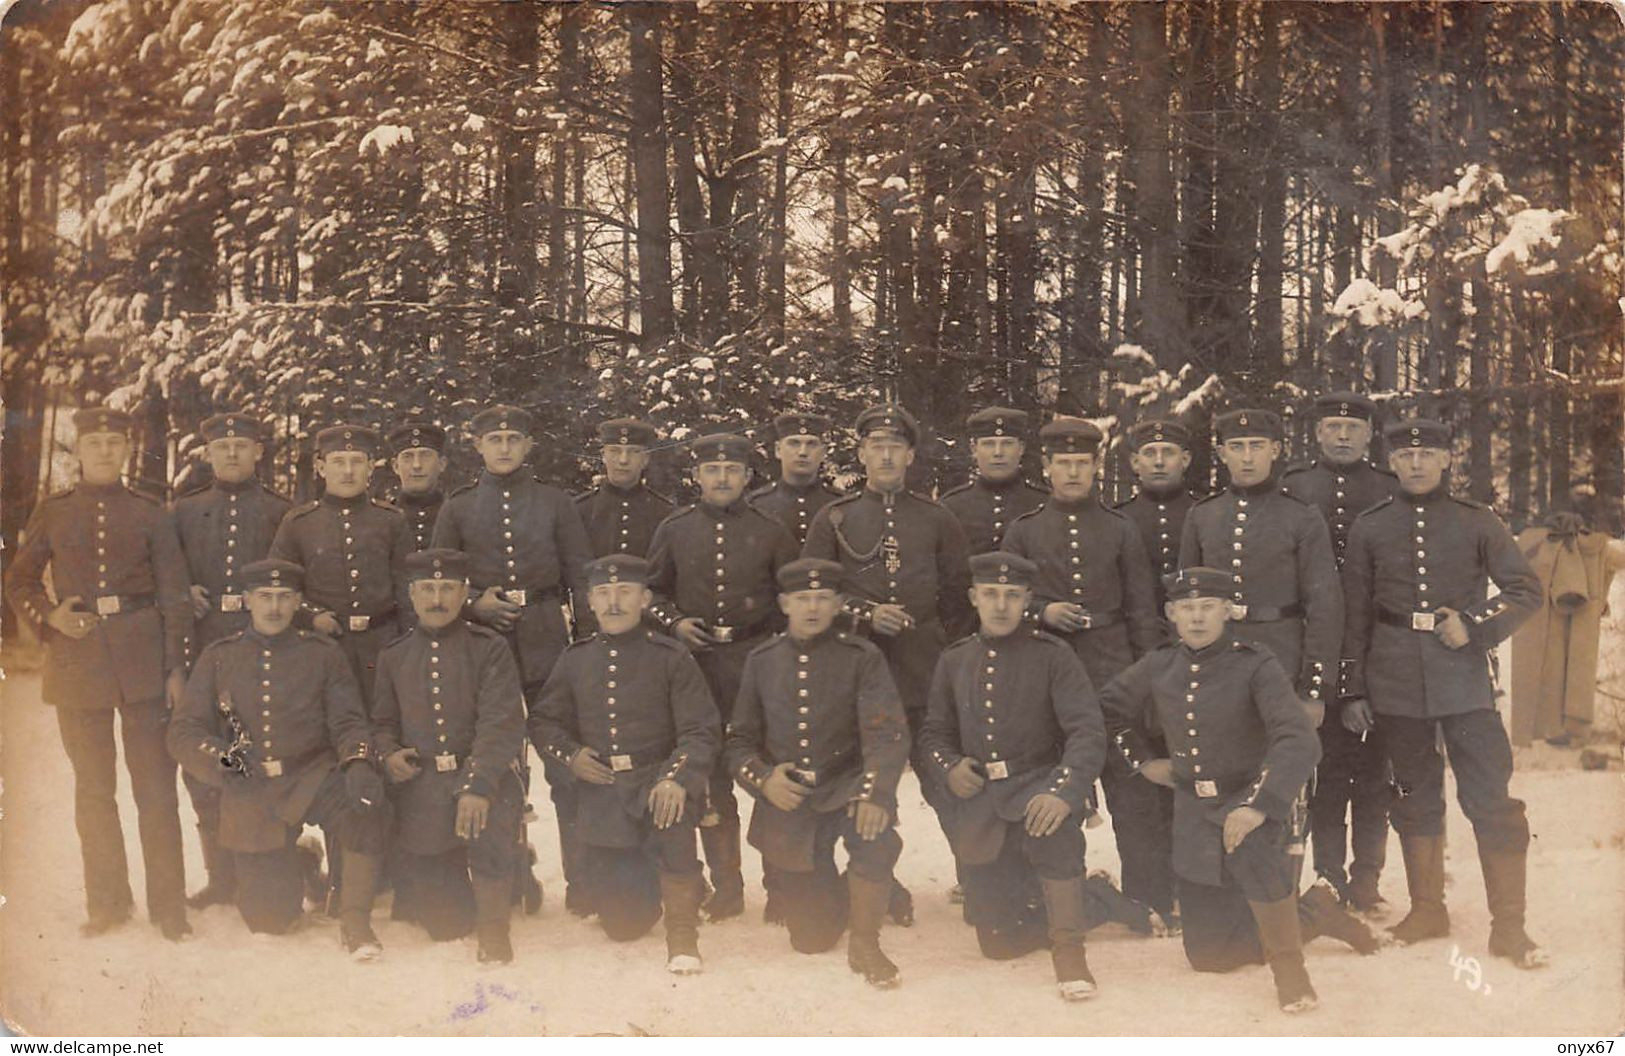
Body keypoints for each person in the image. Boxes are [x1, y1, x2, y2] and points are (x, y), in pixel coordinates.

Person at [1341, 418, 1548, 968]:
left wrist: (1475, 625)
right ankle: (1427, 909)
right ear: (1391, 462)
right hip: (1393, 681)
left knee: (1491, 798)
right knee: (1413, 794)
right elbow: (1355, 613)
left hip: (1464, 682)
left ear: (1448, 460)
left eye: (1427, 455)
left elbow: (1526, 589)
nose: (1415, 465)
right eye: (1405, 456)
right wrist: (1353, 687)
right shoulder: (1370, 526)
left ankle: (1510, 927)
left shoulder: (1477, 520)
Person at [6, 406, 194, 940]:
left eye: (115, 443)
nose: (105, 452)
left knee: (156, 789)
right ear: (79, 451)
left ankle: (169, 909)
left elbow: (175, 595)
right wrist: (51, 620)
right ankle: (108, 903)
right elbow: (18, 581)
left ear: (127, 451)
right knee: (93, 789)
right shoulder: (56, 510)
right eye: (95, 444)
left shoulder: (151, 512)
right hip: (77, 662)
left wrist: (175, 667)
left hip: (142, 659)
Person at [1100, 567, 1322, 1013]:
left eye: (1207, 608)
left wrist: (1259, 806)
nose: (1197, 618)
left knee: (1261, 878)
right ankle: (1311, 914)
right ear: (1171, 614)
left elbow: (1299, 738)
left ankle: (1291, 969)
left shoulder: (1256, 663)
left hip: (1248, 802)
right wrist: (1142, 762)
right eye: (1187, 608)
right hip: (1193, 814)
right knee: (1210, 958)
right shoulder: (1160, 663)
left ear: (1227, 611)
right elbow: (1107, 710)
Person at [168, 559, 390, 959]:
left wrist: (358, 763)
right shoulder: (220, 656)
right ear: (247, 600)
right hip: (251, 786)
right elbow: (183, 732)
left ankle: (355, 923)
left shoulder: (322, 653)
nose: (274, 608)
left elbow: (349, 720)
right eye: (265, 597)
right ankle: (302, 862)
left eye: (284, 597)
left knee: (364, 807)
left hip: (311, 774)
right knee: (269, 920)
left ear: (298, 601)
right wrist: (224, 761)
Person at [802, 403, 972, 920]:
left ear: (911, 455)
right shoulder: (835, 517)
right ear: (860, 454)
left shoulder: (937, 517)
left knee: (944, 782)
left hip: (923, 673)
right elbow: (811, 594)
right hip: (855, 671)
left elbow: (959, 596)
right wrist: (865, 614)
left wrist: (948, 660)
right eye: (876, 447)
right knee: (860, 784)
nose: (886, 456)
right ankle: (878, 885)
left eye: (895, 447)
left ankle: (979, 877)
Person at [1001, 417, 1171, 926]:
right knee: (1046, 783)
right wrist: (1042, 613)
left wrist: (1147, 681)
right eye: (1063, 463)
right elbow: (1006, 603)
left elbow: (1143, 608)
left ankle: (1150, 897)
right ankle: (1047, 896)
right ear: (1046, 468)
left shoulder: (1121, 529)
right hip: (1044, 675)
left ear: (1097, 467)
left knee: (1132, 786)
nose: (1073, 472)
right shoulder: (1025, 530)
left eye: (1082, 463)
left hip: (1114, 669)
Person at [920, 551, 1106, 1000]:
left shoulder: (1054, 655)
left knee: (1053, 835)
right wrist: (950, 767)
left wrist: (1063, 793)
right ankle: (1097, 899)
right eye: (990, 594)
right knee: (997, 944)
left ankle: (1070, 951)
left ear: (1027, 600)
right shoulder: (955, 658)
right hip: (984, 802)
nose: (1001, 605)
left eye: (1012, 595)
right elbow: (933, 733)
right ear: (973, 598)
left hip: (1038, 786)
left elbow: (1087, 731)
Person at [433, 403, 592, 913]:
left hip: (546, 633)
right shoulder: (456, 507)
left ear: (528, 446)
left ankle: (583, 881)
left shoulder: (554, 502)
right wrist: (475, 601)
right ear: (476, 446)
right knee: (489, 756)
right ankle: (503, 875)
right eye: (493, 439)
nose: (503, 448)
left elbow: (580, 576)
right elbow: (439, 578)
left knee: (562, 761)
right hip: (481, 641)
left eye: (513, 439)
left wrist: (586, 646)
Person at [530, 555, 720, 973]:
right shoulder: (575, 659)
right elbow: (543, 721)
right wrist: (572, 756)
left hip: (657, 785)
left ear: (645, 598)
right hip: (604, 794)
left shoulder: (670, 656)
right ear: (590, 602)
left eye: (625, 592)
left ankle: (683, 932)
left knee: (672, 822)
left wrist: (675, 779)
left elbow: (700, 730)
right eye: (603, 594)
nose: (613, 603)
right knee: (624, 924)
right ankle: (659, 880)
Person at [727, 557, 910, 988]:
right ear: (784, 603)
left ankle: (866, 942)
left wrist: (874, 792)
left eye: (823, 598)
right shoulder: (762, 660)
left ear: (840, 604)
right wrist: (765, 779)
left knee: (873, 832)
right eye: (802, 598)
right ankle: (868, 892)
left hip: (846, 785)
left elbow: (888, 736)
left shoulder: (862, 657)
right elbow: (737, 743)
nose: (812, 608)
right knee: (810, 938)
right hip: (792, 798)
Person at [645, 432, 799, 920]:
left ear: (748, 476)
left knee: (767, 766)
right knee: (709, 775)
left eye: (732, 470)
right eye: (712, 470)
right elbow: (651, 593)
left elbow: (790, 596)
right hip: (696, 667)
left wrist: (776, 652)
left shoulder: (771, 530)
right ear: (697, 476)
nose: (722, 478)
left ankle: (780, 887)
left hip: (757, 663)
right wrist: (675, 624)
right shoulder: (675, 528)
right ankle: (726, 887)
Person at [373, 549, 528, 963]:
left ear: (464, 595)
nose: (437, 598)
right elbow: (382, 723)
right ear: (411, 594)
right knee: (447, 924)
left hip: (484, 777)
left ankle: (496, 928)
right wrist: (388, 754)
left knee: (489, 833)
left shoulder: (489, 648)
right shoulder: (394, 656)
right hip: (424, 786)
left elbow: (501, 724)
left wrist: (478, 784)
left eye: (447, 588)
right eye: (427, 588)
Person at [1280, 392, 1400, 912]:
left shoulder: (1390, 489)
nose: (1344, 437)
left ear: (1370, 435)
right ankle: (1328, 875)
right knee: (1325, 772)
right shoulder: (1293, 486)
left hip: (1379, 644)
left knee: (1375, 773)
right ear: (1317, 434)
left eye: (1353, 428)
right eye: (1332, 427)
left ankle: (1368, 877)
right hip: (1314, 643)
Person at [171, 411, 292, 908]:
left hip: (259, 645)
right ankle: (220, 876)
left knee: (261, 751)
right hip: (204, 649)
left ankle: (263, 869)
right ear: (210, 454)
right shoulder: (184, 510)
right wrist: (183, 592)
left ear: (259, 451)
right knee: (207, 758)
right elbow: (166, 575)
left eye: (243, 446)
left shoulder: (282, 511)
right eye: (223, 448)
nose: (233, 455)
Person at [269, 424, 409, 708]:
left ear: (370, 467)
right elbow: (280, 585)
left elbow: (407, 589)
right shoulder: (299, 523)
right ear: (321, 467)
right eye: (338, 462)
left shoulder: (392, 521)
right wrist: (312, 617)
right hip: (321, 645)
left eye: (357, 461)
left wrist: (404, 647)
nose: (348, 471)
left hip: (382, 646)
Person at [1113, 416, 1203, 611]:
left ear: (1185, 460)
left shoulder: (1204, 513)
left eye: (1168, 453)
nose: (1159, 462)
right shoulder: (1118, 518)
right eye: (1150, 453)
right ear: (1135, 462)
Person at [940, 406, 1047, 554]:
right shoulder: (951, 507)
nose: (998, 453)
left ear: (1021, 448)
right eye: (989, 444)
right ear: (974, 449)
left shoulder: (1044, 504)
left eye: (1007, 443)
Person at [574, 417, 673, 559]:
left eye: (633, 452)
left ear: (645, 459)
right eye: (615, 451)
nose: (623, 460)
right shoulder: (578, 512)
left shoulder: (665, 514)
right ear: (603, 456)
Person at [748, 412, 843, 546]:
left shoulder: (840, 504)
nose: (802, 452)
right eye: (794, 443)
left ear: (823, 453)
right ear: (778, 450)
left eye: (811, 444)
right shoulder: (756, 505)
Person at [388, 421, 450, 553]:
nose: (416, 465)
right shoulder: (383, 519)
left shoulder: (457, 515)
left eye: (425, 456)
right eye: (408, 457)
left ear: (442, 464)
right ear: (395, 466)